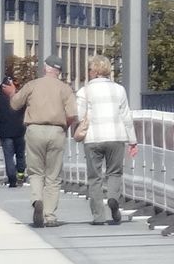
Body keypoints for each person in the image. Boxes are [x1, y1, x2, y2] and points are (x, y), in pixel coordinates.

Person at [10, 55, 78, 228]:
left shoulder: (32, 85)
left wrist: (12, 93)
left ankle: (37, 200)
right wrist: (64, 127)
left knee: (36, 172)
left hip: (35, 130)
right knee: (53, 176)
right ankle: (50, 215)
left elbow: (15, 105)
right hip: (56, 130)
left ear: (45, 68)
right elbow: (72, 114)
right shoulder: (65, 89)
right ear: (59, 71)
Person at [75, 55, 137, 226]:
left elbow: (79, 116)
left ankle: (98, 216)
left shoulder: (84, 91)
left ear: (93, 71)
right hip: (116, 137)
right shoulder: (119, 89)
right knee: (114, 173)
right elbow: (126, 116)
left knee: (95, 177)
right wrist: (133, 140)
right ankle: (112, 198)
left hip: (93, 138)